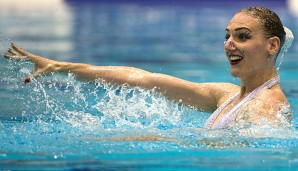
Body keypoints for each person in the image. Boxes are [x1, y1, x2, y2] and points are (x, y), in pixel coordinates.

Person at [2, 7, 294, 129]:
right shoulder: (230, 96)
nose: (229, 43)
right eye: (227, 35)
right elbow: (142, 78)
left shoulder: (265, 109)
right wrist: (60, 66)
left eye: (242, 36)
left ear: (272, 46)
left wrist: (156, 138)